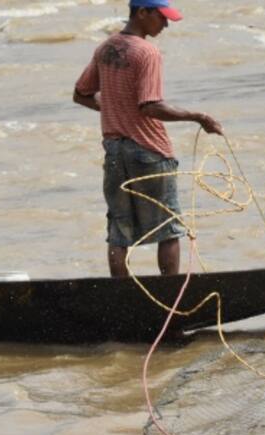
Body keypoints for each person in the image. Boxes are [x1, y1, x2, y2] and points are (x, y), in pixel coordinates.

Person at [73, 0, 222, 279]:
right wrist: (197, 116)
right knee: (168, 228)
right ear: (142, 13)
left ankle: (121, 295)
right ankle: (170, 293)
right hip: (149, 150)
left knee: (119, 232)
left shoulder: (105, 48)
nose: (165, 24)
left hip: (115, 152)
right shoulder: (147, 52)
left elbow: (81, 94)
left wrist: (116, 108)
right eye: (161, 17)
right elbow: (150, 106)